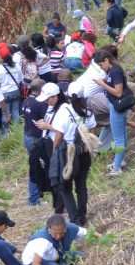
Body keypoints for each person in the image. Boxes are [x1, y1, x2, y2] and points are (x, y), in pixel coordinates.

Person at [34, 84, 93, 225]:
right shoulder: (87, 110)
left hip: (68, 152)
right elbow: (92, 131)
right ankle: (82, 216)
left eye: (48, 98)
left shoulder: (64, 111)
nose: (46, 101)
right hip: (84, 151)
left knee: (65, 187)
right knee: (81, 185)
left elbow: (59, 136)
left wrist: (55, 153)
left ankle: (75, 220)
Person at [93, 51, 135, 176]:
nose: (101, 68)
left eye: (101, 65)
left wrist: (103, 84)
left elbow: (118, 92)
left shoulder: (115, 71)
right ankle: (120, 161)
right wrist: (105, 81)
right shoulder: (112, 71)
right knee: (122, 136)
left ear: (106, 60)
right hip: (115, 106)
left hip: (117, 108)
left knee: (118, 139)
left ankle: (116, 168)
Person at [22, 214, 88, 265]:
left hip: (55, 255)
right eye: (55, 233)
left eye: (61, 233)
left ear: (65, 228)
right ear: (49, 229)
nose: (58, 236)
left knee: (82, 255)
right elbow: (35, 264)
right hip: (34, 261)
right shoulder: (43, 242)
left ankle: (60, 264)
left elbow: (88, 233)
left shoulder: (70, 227)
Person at [20, 78, 48, 206]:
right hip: (36, 138)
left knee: (35, 166)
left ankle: (37, 195)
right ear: (41, 90)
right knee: (36, 168)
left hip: (28, 136)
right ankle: (34, 199)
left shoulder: (26, 101)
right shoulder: (39, 103)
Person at [0, 53, 22, 133]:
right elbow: (21, 79)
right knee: (15, 111)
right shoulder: (17, 66)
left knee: (5, 113)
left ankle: (6, 133)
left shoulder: (0, 68)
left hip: (5, 94)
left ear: (2, 58)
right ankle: (17, 131)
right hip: (16, 91)